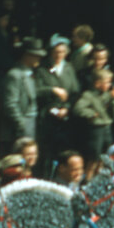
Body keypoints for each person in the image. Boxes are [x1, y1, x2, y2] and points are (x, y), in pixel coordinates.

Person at [34, 34, 81, 170]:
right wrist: (52, 89)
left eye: (61, 52)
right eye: (55, 52)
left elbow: (75, 92)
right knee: (48, 151)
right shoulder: (42, 69)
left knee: (64, 150)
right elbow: (36, 90)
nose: (58, 55)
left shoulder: (69, 68)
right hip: (48, 113)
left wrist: (67, 108)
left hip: (65, 115)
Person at [0, 37, 46, 152]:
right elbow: (10, 104)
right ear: (26, 55)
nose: (39, 58)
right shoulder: (14, 75)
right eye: (35, 55)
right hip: (22, 124)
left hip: (33, 121)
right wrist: (21, 125)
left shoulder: (30, 73)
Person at [73, 69, 114, 161]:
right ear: (97, 83)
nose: (109, 85)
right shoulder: (88, 95)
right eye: (107, 82)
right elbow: (78, 109)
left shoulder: (108, 95)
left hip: (107, 128)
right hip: (96, 129)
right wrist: (92, 114)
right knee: (94, 158)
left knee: (107, 156)